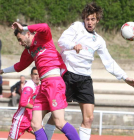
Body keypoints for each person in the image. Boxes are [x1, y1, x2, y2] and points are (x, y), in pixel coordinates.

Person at [57, 2, 134, 140]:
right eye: (87, 19)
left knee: (89, 118)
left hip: (84, 79)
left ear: (97, 20)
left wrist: (125, 77)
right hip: (67, 74)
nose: (89, 22)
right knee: (56, 117)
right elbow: (61, 41)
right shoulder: (76, 27)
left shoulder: (99, 40)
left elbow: (109, 62)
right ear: (84, 19)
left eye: (92, 19)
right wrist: (73, 45)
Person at [0, 22, 80, 140]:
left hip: (54, 83)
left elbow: (45, 26)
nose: (20, 43)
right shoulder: (29, 51)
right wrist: (2, 71)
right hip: (43, 86)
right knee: (35, 124)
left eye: (20, 39)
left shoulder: (43, 37)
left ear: (28, 33)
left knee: (59, 121)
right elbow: (19, 66)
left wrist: (23, 27)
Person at [8, 67, 40, 140]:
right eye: (35, 74)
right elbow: (23, 102)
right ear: (31, 75)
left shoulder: (38, 85)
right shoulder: (29, 86)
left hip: (31, 119)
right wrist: (37, 107)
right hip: (21, 120)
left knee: (43, 136)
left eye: (39, 74)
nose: (37, 76)